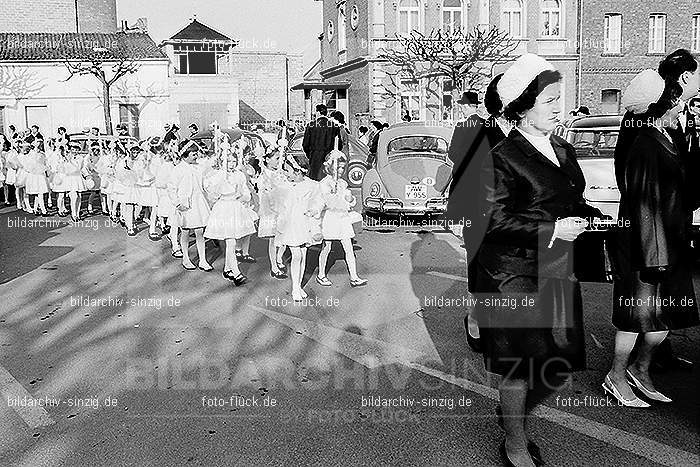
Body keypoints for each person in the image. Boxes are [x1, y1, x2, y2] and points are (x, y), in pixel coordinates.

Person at [473, 53, 604, 467]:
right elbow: (492, 221)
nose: (558, 107)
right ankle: (514, 442)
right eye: (549, 101)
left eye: (558, 98)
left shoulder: (562, 147)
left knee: (554, 359)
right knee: (517, 365)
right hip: (511, 274)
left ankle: (514, 416)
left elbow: (571, 200)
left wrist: (596, 217)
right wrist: (552, 231)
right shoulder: (501, 155)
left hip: (555, 269)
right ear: (523, 108)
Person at [605, 71, 700, 408]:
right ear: (664, 102)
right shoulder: (645, 143)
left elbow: (685, 189)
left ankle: (641, 370)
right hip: (648, 249)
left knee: (663, 320)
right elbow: (642, 202)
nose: (683, 104)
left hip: (669, 243)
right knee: (637, 317)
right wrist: (654, 255)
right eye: (678, 99)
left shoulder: (667, 136)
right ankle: (617, 375)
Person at [446, 75, 511, 354]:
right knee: (482, 266)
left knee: (482, 266)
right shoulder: (491, 129)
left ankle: (478, 322)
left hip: (485, 210)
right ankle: (477, 322)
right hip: (485, 208)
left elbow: (452, 157)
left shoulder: (467, 127)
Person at [203, 147, 258, 286]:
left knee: (232, 241)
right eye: (229, 161)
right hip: (223, 208)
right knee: (231, 241)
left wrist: (243, 196)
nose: (232, 164)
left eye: (234, 161)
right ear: (222, 162)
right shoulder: (219, 175)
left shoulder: (239, 175)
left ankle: (228, 269)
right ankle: (236, 271)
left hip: (236, 207)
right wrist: (221, 178)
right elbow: (211, 192)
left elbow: (246, 192)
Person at [275, 153, 322, 301]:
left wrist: (315, 210)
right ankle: (295, 288)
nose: (286, 174)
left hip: (305, 223)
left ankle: (298, 285)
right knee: (296, 255)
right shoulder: (284, 186)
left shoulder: (312, 186)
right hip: (291, 225)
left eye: (288, 171)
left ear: (298, 171)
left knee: (303, 255)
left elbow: (318, 202)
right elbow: (277, 204)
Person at [316, 151, 366, 288]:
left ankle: (354, 277)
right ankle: (321, 274)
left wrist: (349, 199)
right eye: (338, 167)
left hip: (342, 218)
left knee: (349, 248)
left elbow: (348, 202)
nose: (341, 170)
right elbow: (323, 202)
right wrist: (331, 194)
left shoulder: (343, 183)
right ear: (330, 167)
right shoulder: (324, 183)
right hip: (330, 218)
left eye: (343, 167)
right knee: (327, 247)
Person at [173, 140, 212, 271]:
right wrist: (178, 203)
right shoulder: (178, 169)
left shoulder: (199, 167)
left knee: (200, 231)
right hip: (185, 203)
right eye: (193, 154)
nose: (196, 156)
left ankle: (203, 260)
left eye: (196, 153)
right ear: (185, 154)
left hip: (199, 201)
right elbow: (171, 188)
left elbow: (204, 183)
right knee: (185, 231)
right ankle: (186, 258)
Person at [257, 147, 289, 279]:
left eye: (280, 158)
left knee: (284, 237)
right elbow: (264, 195)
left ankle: (279, 257)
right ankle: (274, 266)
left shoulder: (280, 173)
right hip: (270, 210)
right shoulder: (264, 176)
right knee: (273, 239)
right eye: (276, 159)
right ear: (267, 159)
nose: (279, 161)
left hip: (283, 209)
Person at [302, 104, 341, 180]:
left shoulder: (311, 126)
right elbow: (339, 145)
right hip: (329, 158)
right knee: (328, 182)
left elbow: (305, 144)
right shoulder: (334, 126)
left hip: (314, 158)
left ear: (318, 113)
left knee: (315, 181)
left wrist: (310, 155)